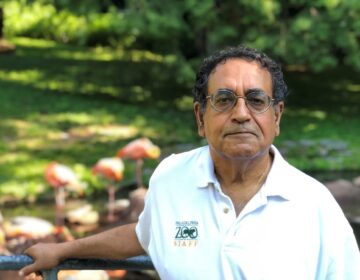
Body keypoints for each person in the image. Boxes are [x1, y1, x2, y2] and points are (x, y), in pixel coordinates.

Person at [20, 45, 360, 279]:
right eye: (224, 100)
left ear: (277, 117)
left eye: (256, 100)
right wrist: (63, 251)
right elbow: (144, 235)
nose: (241, 114)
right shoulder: (170, 178)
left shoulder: (316, 207)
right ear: (200, 117)